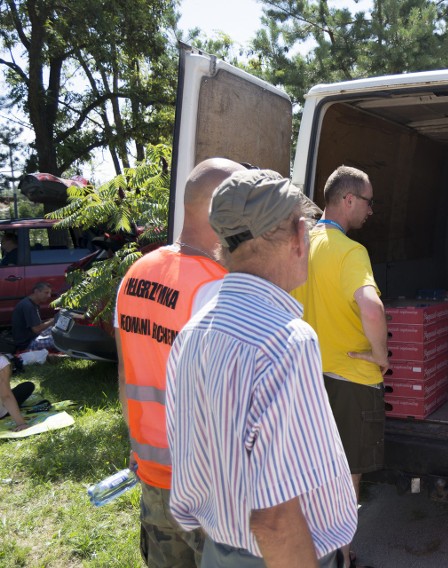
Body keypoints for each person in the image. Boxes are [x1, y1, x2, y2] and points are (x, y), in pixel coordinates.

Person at [166, 169, 357, 568]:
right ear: (299, 235)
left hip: (219, 552)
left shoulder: (192, 332)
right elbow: (273, 518)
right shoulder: (286, 341)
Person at [115, 158, 246, 567]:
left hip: (154, 476)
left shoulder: (135, 274)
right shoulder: (217, 287)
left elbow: (126, 376)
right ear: (217, 211)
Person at [291, 165, 388, 568]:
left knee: (311, 472)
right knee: (347, 476)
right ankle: (342, 558)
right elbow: (371, 305)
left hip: (306, 376)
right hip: (350, 379)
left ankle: (312, 551)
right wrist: (381, 355)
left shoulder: (300, 243)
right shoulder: (350, 251)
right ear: (348, 200)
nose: (370, 210)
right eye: (368, 202)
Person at [11, 282, 56, 352]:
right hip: (27, 344)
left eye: (50, 293)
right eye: (46, 293)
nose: (49, 296)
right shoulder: (29, 306)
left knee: (56, 330)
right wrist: (53, 321)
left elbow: (36, 324)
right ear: (36, 291)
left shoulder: (31, 303)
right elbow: (37, 329)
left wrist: (49, 321)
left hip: (32, 336)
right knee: (59, 339)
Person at [0, 357, 34, 432]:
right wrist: (21, 423)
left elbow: (6, 396)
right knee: (27, 386)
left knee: (27, 386)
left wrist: (21, 424)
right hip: (2, 409)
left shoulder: (1, 362)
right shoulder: (2, 362)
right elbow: (6, 396)